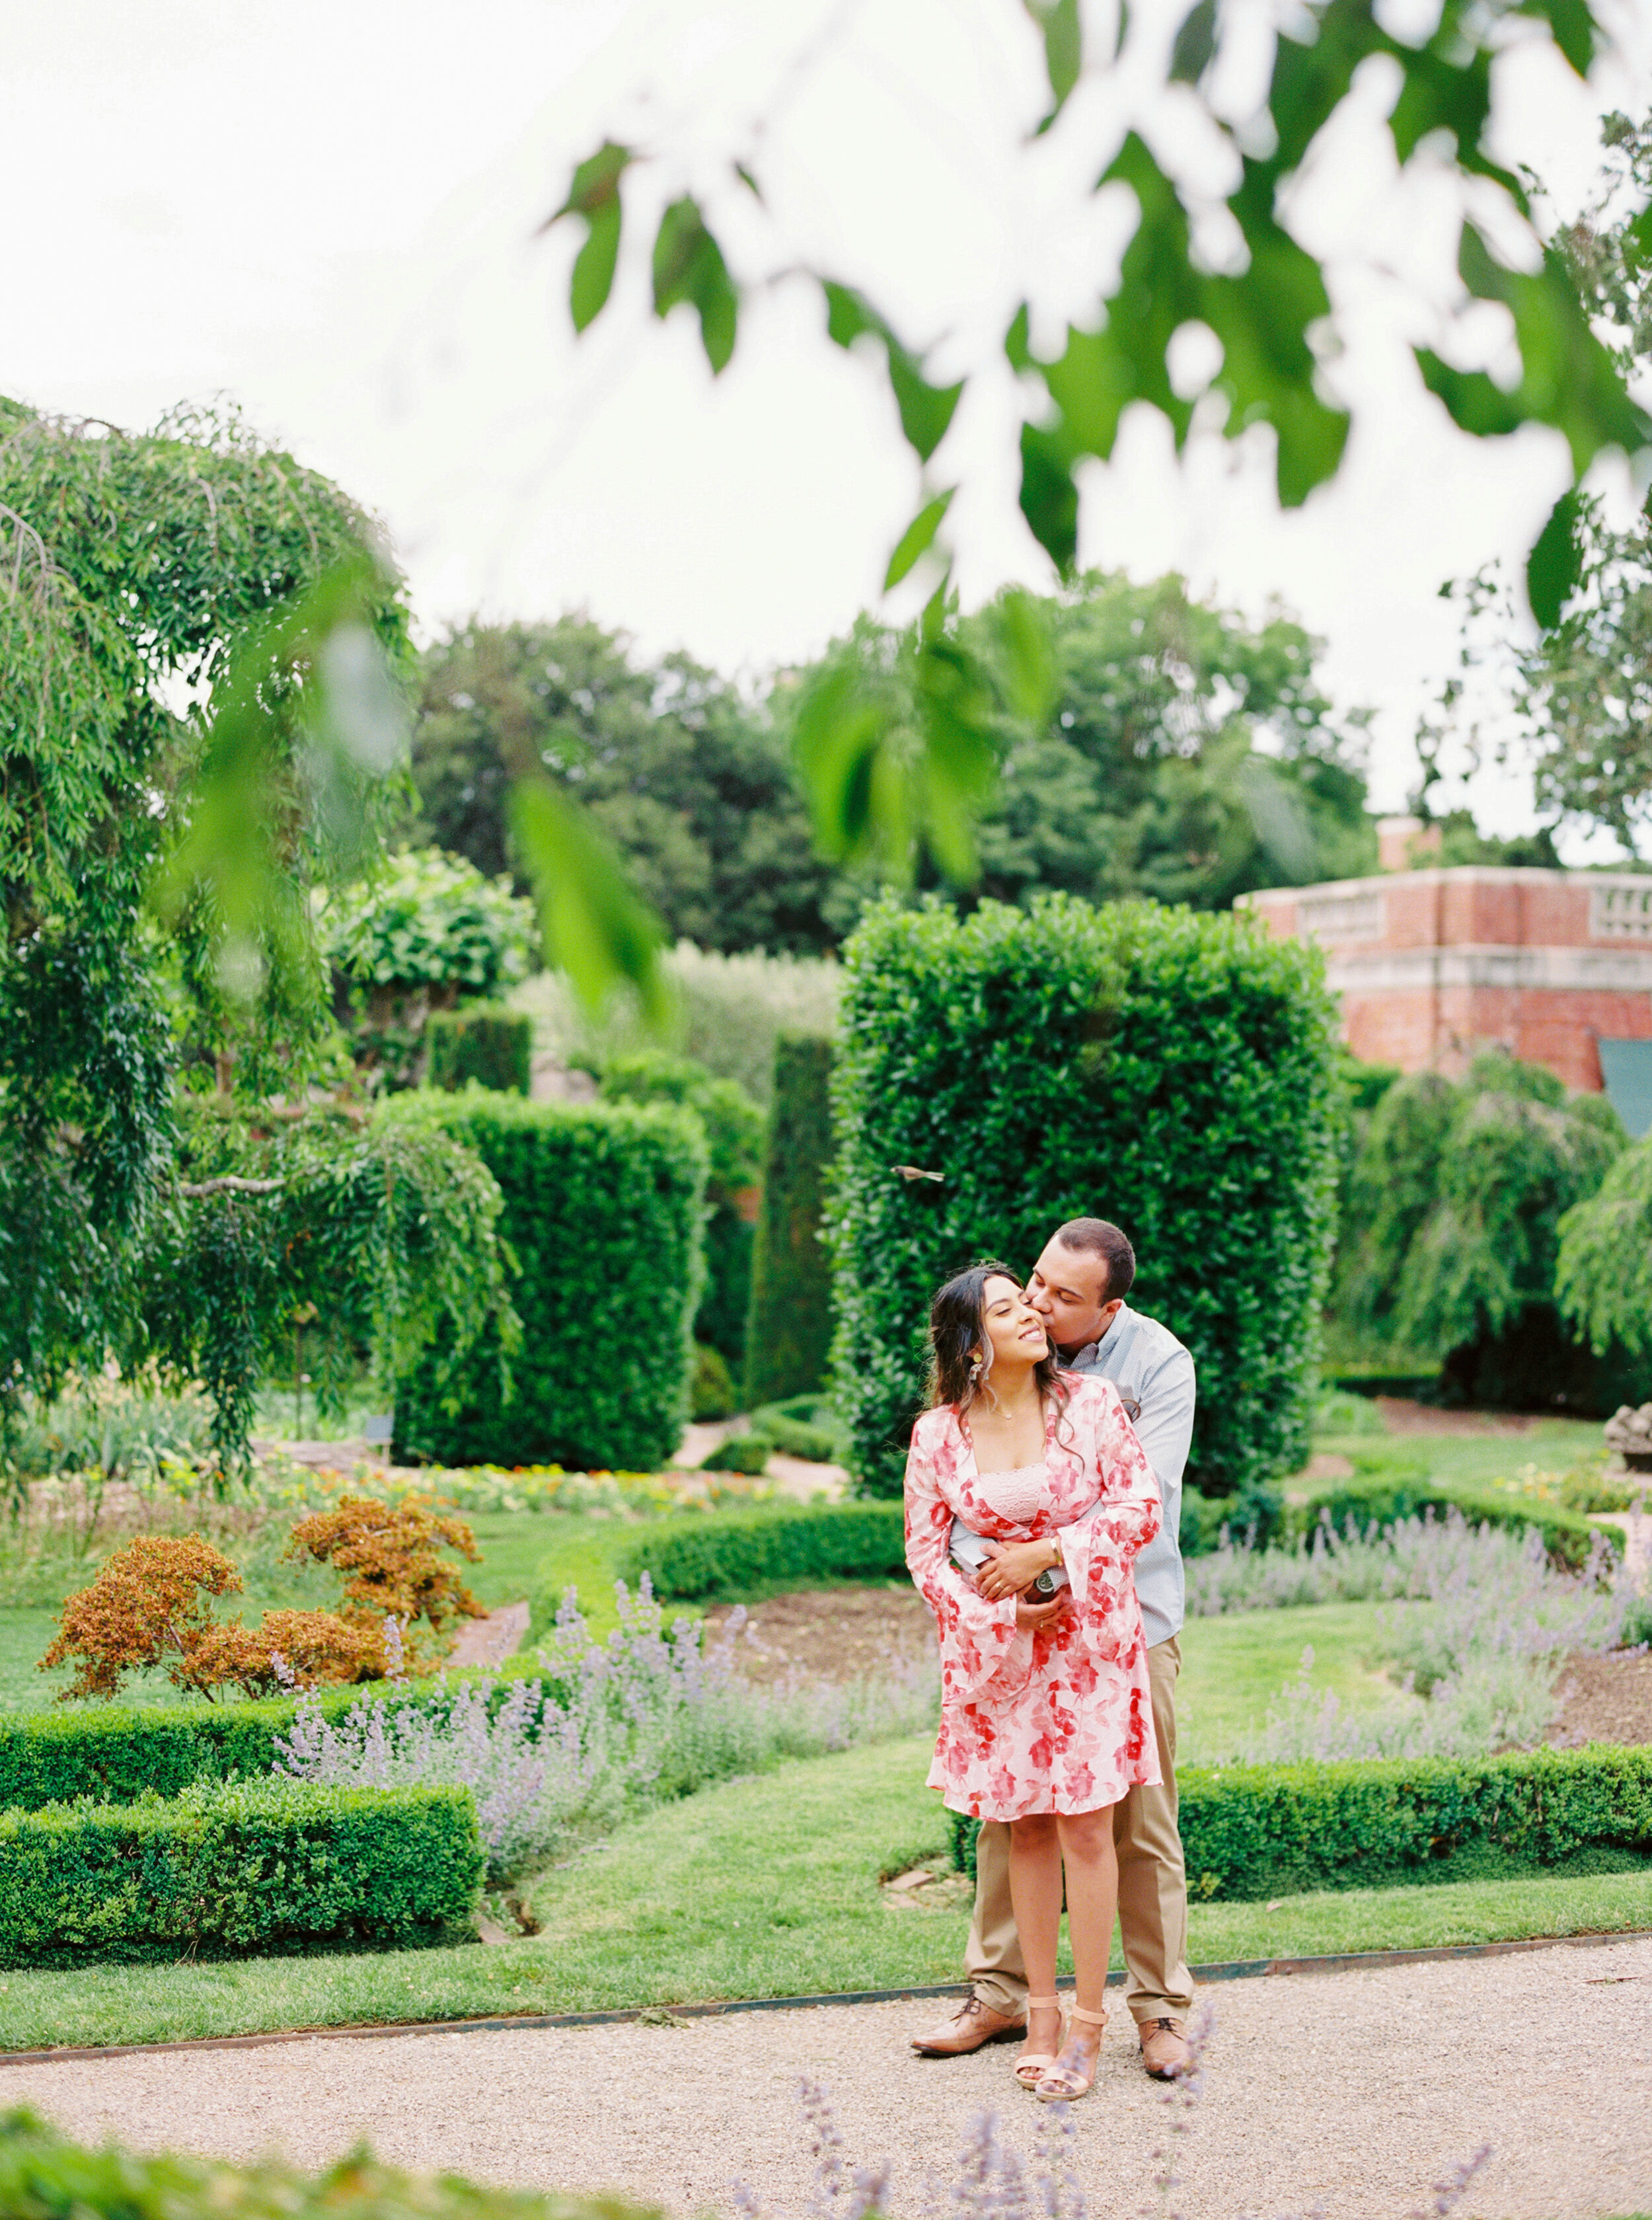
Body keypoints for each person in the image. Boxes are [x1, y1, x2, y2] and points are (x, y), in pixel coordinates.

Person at [910, 1217, 1197, 2081]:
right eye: (1029, 1286)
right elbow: (940, 1535)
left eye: (1060, 1298)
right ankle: (1006, 1999)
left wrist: (1046, 1560)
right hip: (1009, 1653)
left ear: (1107, 1309)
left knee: (1133, 1827)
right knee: (1014, 1828)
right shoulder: (951, 1422)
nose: (1038, 1303)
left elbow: (1145, 1501)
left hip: (1124, 1625)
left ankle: (1153, 2013)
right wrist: (995, 1604)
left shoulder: (1147, 1372)